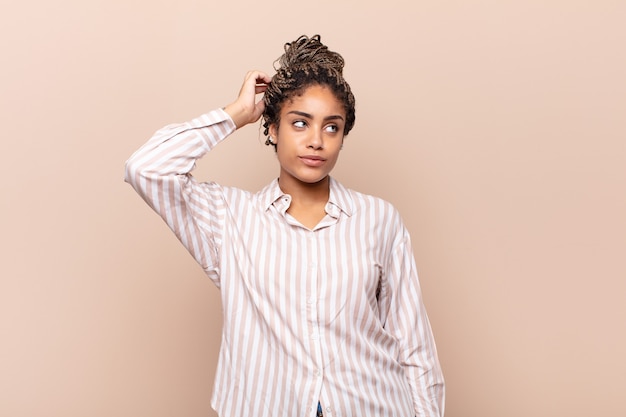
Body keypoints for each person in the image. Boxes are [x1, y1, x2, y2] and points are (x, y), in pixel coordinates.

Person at [125, 35, 444, 417]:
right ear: (273, 129)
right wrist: (238, 113)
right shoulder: (230, 218)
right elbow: (146, 168)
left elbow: (414, 345)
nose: (316, 141)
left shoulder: (379, 220)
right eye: (299, 123)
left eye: (331, 127)